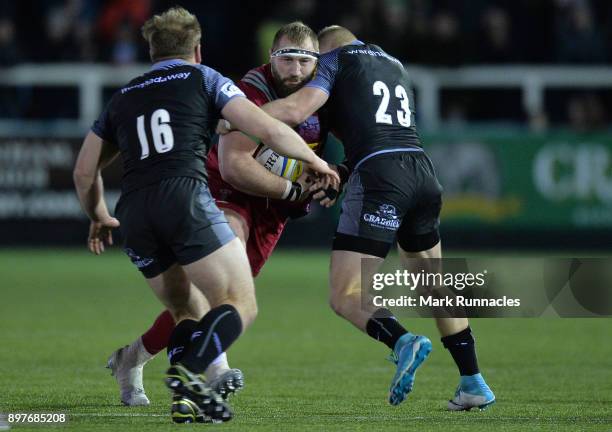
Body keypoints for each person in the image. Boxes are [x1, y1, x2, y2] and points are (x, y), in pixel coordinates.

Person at [73, 7, 336, 423]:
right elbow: (268, 130)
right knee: (239, 302)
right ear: (197, 49)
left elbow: (85, 171)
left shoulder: (123, 96)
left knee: (188, 307)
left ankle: (162, 378)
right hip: (187, 198)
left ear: (150, 49)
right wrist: (315, 162)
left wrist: (99, 214)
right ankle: (201, 373)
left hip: (134, 212)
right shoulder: (207, 78)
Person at [259, 25, 495, 410]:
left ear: (325, 50)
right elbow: (382, 131)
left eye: (312, 58)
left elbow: (296, 109)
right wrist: (342, 171)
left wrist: (234, 117)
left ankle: (402, 340)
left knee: (345, 294)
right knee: (433, 283)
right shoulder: (394, 64)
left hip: (380, 178)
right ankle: (473, 381)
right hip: (422, 172)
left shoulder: (334, 60)